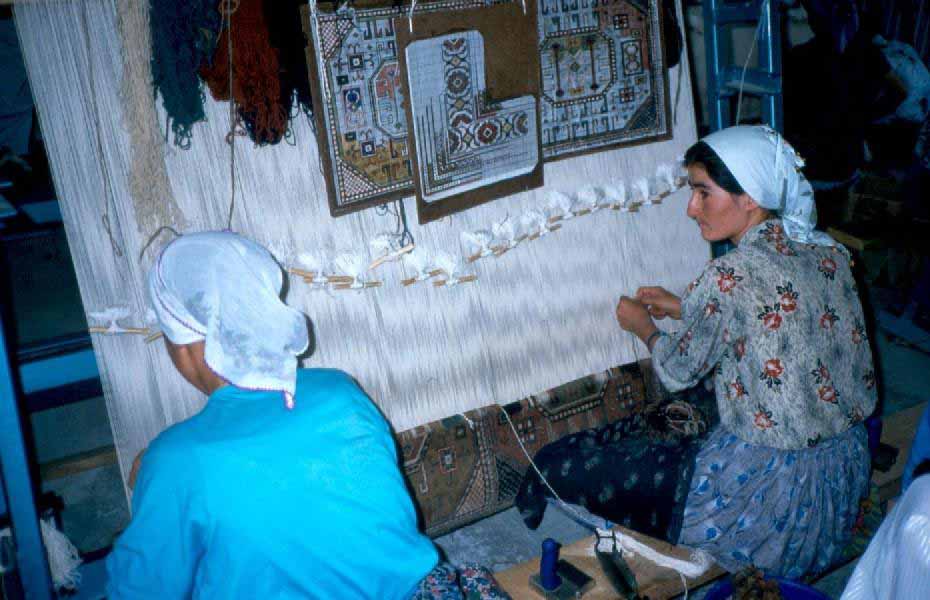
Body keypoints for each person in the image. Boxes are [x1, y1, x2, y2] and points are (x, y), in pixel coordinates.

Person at [518, 125, 877, 580]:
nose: (691, 208)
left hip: (772, 500)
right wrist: (685, 306)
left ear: (750, 197)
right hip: (843, 472)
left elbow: (675, 371)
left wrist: (645, 327)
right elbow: (783, 313)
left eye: (703, 193)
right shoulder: (828, 253)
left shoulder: (728, 276)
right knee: (692, 410)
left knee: (562, 466)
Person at [105, 231, 508, 599]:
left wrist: (153, 487)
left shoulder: (175, 460)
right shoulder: (341, 391)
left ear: (180, 342)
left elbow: (137, 592)